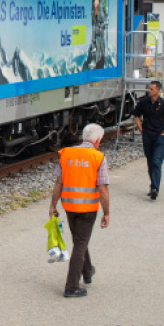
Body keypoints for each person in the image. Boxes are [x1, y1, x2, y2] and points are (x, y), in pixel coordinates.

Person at [48, 123, 110, 298]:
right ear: (96, 140)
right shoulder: (98, 157)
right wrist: (106, 212)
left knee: (80, 240)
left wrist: (53, 205)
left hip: (69, 206)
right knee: (80, 244)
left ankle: (88, 272)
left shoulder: (66, 154)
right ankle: (72, 286)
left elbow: (59, 182)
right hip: (88, 208)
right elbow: (103, 189)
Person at [132, 80, 164, 200]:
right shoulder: (143, 102)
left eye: (151, 89)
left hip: (159, 137)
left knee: (156, 161)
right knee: (150, 162)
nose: (149, 91)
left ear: (158, 90)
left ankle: (155, 188)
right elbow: (136, 115)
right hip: (147, 136)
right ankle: (153, 186)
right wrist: (141, 129)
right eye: (149, 89)